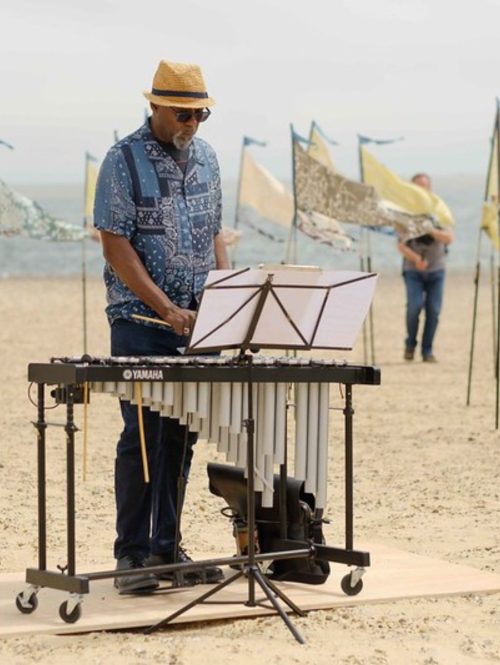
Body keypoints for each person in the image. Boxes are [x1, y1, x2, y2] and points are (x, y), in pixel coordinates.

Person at [94, 60, 230, 594]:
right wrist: (165, 306)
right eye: (182, 112)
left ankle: (167, 548)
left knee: (183, 437)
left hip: (201, 327)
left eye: (200, 114)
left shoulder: (210, 160)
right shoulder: (121, 159)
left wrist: (226, 297)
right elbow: (114, 242)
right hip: (141, 322)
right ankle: (131, 556)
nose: (192, 122)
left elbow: (215, 231)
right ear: (153, 105)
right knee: (143, 438)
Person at [397, 173, 453, 363]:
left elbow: (448, 238)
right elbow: (400, 244)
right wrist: (416, 259)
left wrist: (429, 229)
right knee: (414, 307)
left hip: (437, 269)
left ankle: (427, 350)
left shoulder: (439, 211)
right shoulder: (404, 213)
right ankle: (410, 344)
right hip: (413, 270)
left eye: (424, 187)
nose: (421, 190)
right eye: (417, 187)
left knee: (434, 310)